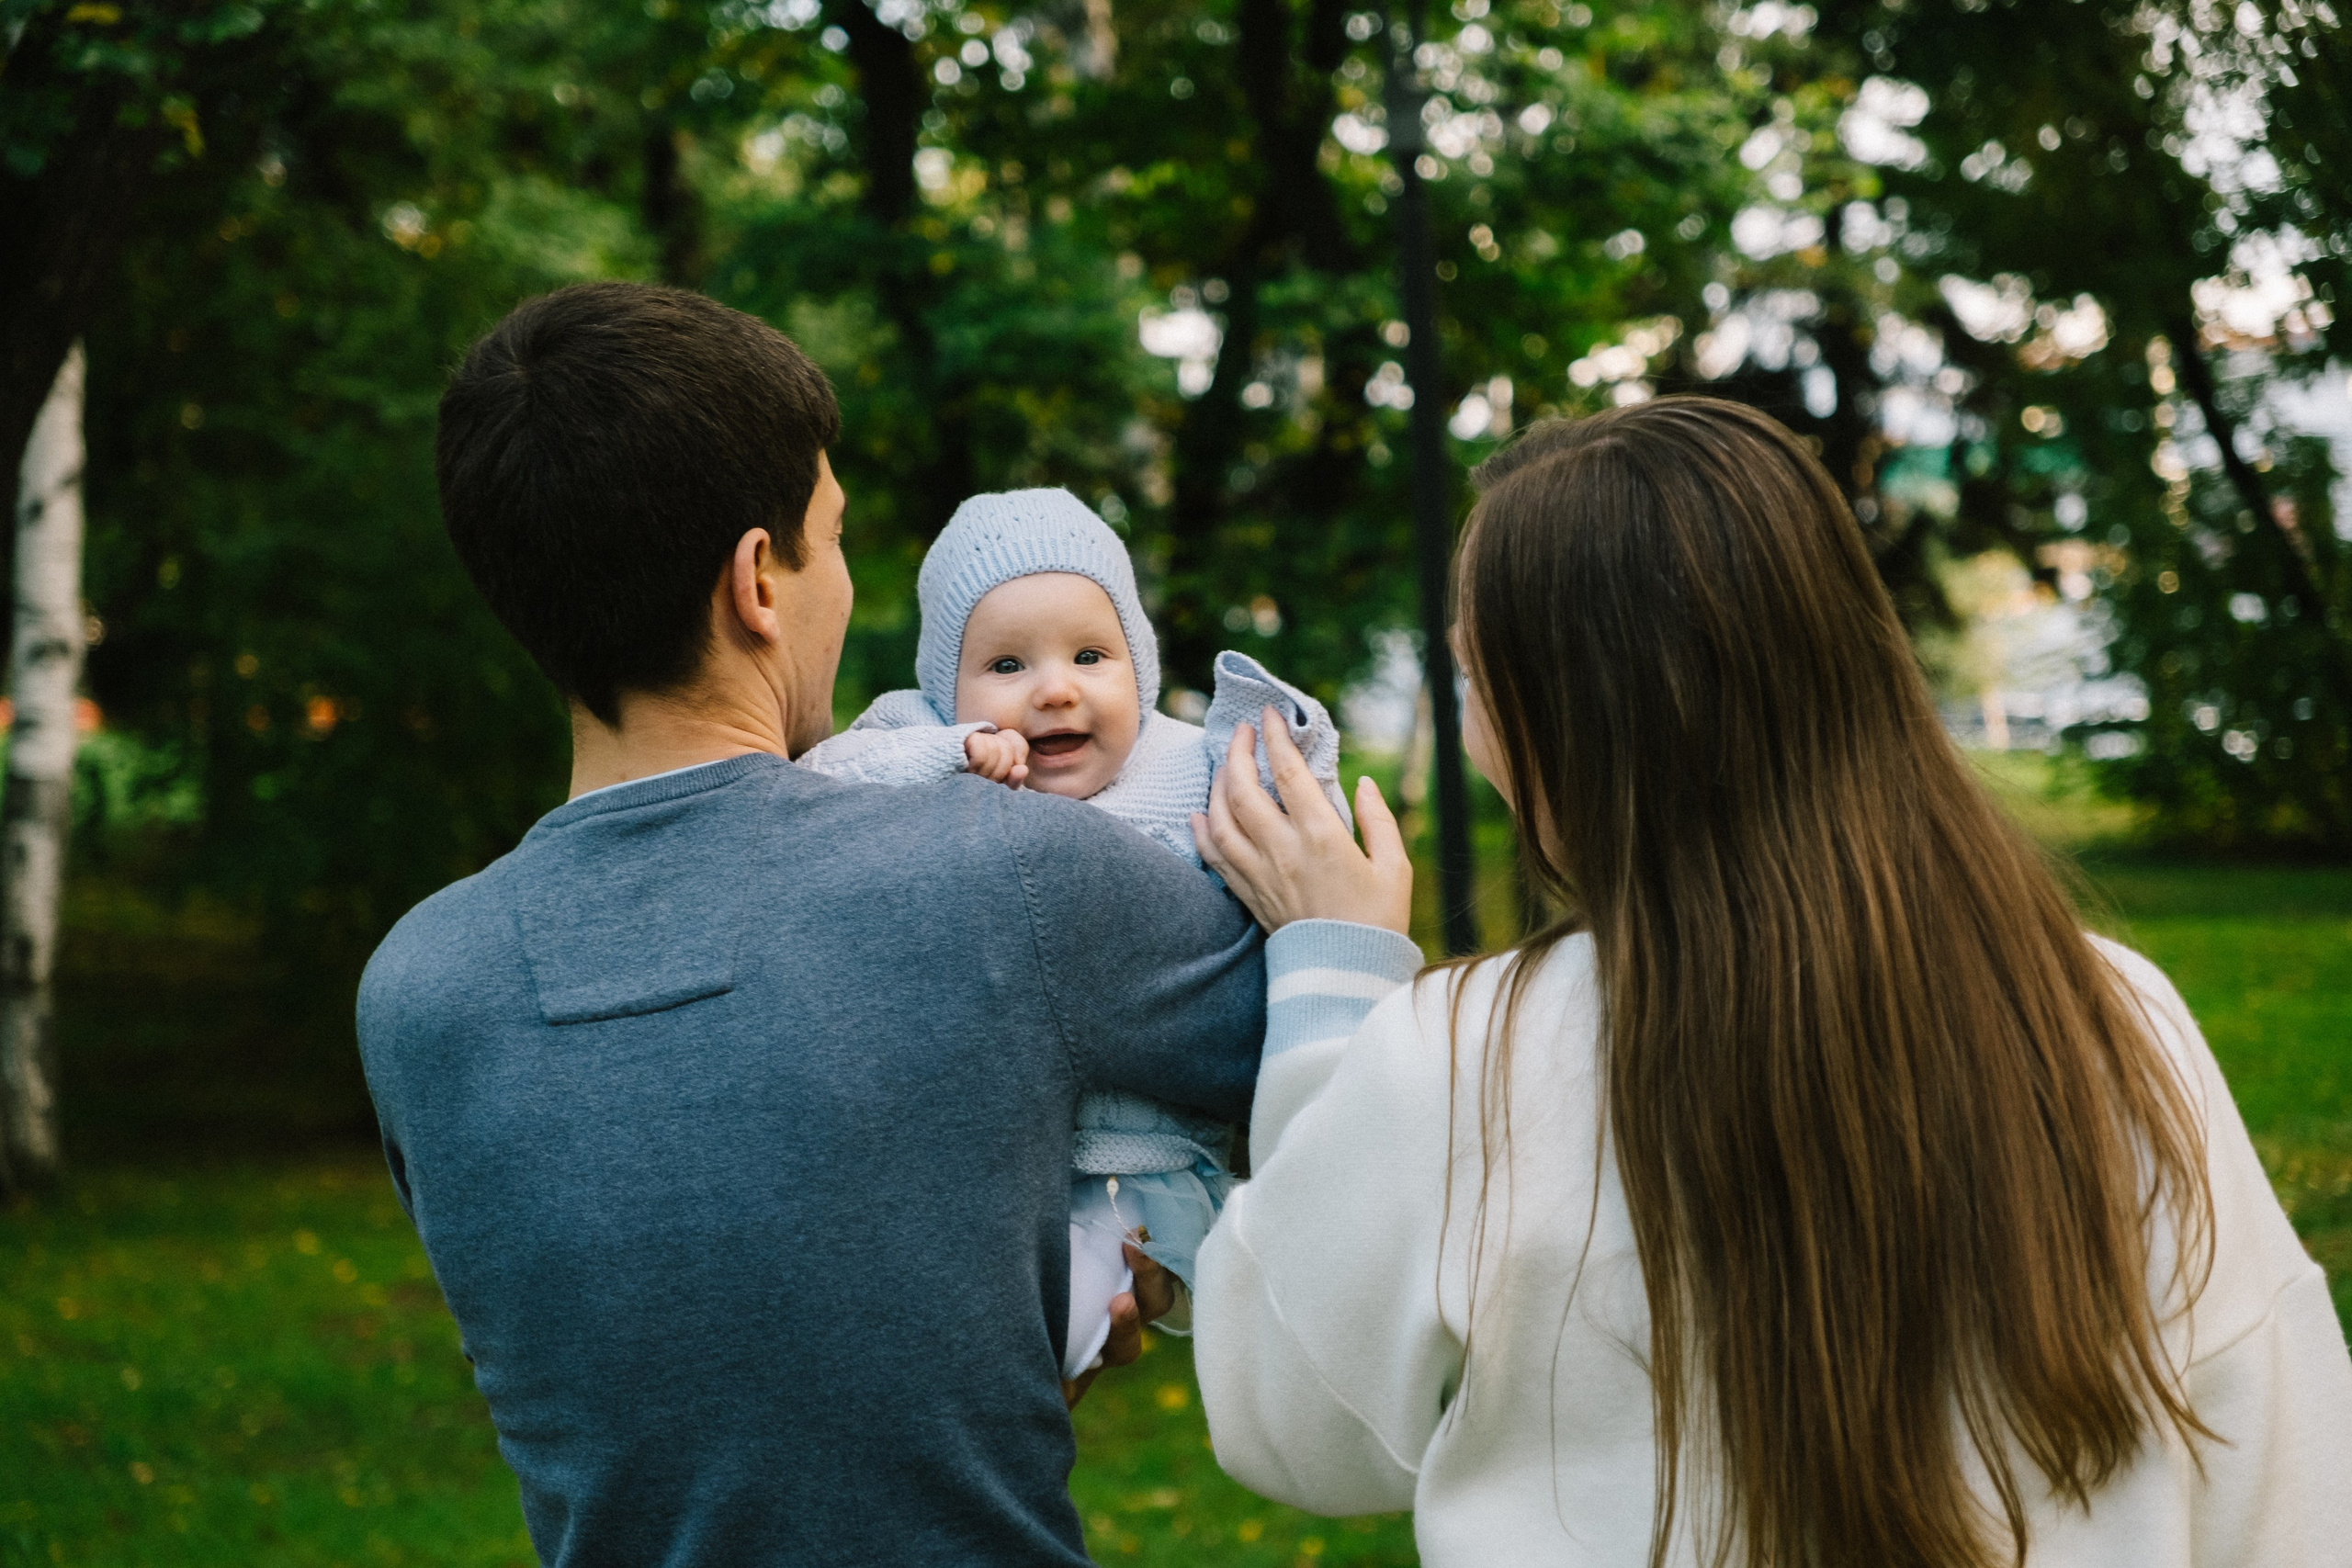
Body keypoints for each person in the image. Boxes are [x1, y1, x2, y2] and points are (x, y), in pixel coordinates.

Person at [1189, 397, 2352, 1566]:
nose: (1477, 728)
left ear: (1568, 724)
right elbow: (2287, 1473)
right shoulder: (2105, 1016)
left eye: (1474, 681)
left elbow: (1293, 1424)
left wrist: (1334, 987)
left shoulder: (1461, 1059)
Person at [356, 281, 1255, 1568]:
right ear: (758, 582)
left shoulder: (416, 993)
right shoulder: (1008, 870)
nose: (845, 582)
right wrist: (1349, 923)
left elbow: (696, 1361)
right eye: (831, 539)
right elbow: (1343, 1086)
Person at [794, 484, 1347, 1382]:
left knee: (1044, 1331)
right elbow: (823, 778)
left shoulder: (1180, 762)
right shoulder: (926, 741)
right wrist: (952, 753)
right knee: (926, 1301)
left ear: (1139, 663)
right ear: (948, 689)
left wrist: (1295, 742)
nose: (1054, 689)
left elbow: (1291, 804)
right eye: (1006, 665)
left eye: (1091, 655)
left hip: (1146, 1166)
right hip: (982, 1162)